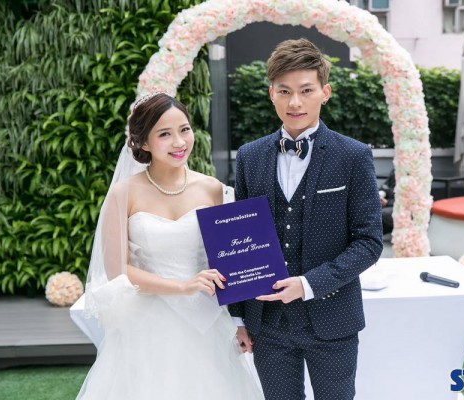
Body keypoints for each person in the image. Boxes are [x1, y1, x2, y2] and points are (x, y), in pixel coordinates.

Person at [77, 93, 263, 400]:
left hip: (207, 322)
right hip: (147, 323)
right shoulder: (124, 193)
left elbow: (232, 262)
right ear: (143, 142)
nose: (179, 142)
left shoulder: (213, 189)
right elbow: (117, 271)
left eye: (184, 129)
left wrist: (237, 322)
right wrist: (183, 287)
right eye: (164, 134)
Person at [228, 39, 383, 400]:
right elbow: (240, 243)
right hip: (266, 324)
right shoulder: (249, 157)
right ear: (272, 94)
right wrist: (238, 318)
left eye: (306, 90)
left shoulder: (353, 156)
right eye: (284, 91)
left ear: (325, 93)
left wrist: (308, 284)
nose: (294, 102)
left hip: (333, 319)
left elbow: (369, 242)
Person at [379, 168, 396, 235]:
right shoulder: (397, 169)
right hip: (387, 204)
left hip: (404, 207)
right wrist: (381, 194)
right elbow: (385, 186)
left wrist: (387, 202)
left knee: (382, 214)